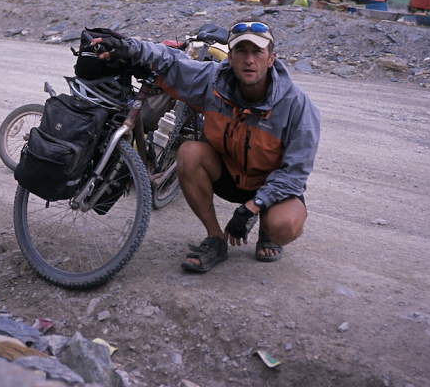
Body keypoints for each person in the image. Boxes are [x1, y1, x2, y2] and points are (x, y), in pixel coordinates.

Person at [94, 21, 321, 273]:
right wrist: (128, 47)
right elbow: (171, 60)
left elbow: (295, 174)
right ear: (230, 58)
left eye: (257, 52)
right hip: (228, 175)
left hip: (270, 184)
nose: (249, 60)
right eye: (240, 52)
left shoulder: (297, 105)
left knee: (284, 226)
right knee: (189, 153)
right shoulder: (212, 80)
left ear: (271, 59)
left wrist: (252, 206)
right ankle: (215, 239)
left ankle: (266, 230)